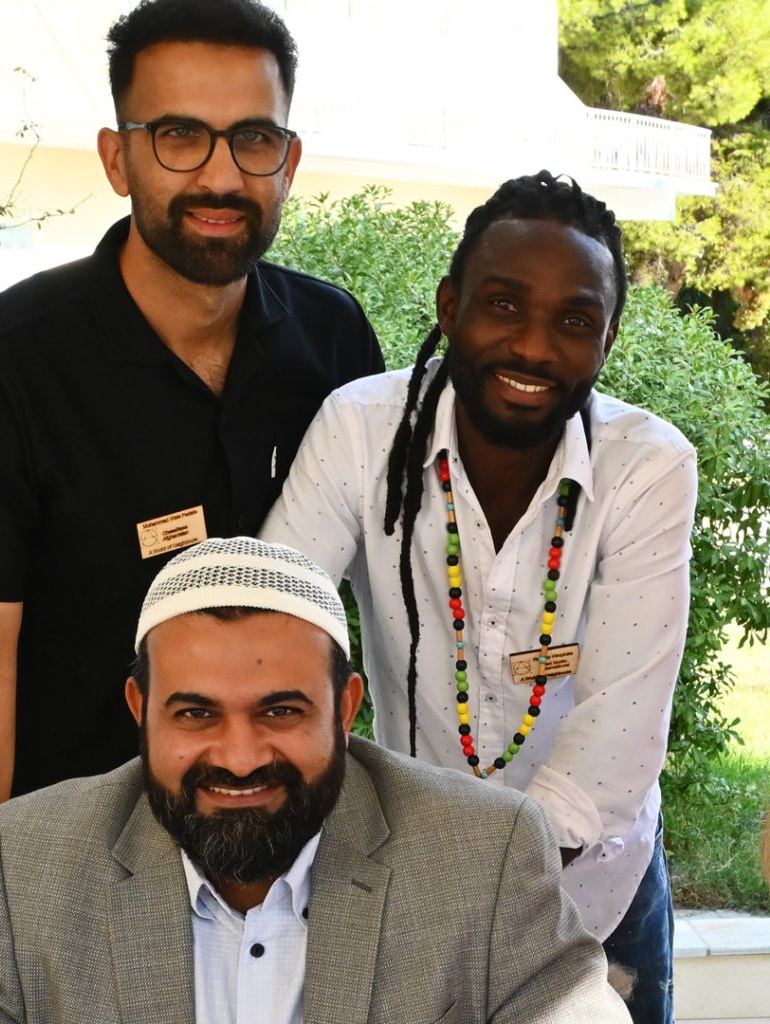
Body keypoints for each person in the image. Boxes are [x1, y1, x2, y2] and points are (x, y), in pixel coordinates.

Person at [0, 0, 383, 929]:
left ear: (287, 160)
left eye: (252, 138)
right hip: (73, 874)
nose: (219, 174)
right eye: (179, 136)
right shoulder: (10, 361)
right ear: (116, 155)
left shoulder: (331, 340)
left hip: (286, 870)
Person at [261, 171, 698, 1023]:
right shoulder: (362, 430)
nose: (535, 347)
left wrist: (469, 894)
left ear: (607, 339)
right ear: (450, 307)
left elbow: (617, 735)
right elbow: (277, 636)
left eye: (575, 321)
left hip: (594, 889)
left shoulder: (647, 467)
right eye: (503, 305)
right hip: (406, 880)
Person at [0, 537, 630, 1023]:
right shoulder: (33, 857)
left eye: (280, 710)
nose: (239, 758)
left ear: (346, 708)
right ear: (141, 710)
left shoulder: (479, 850)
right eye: (197, 713)